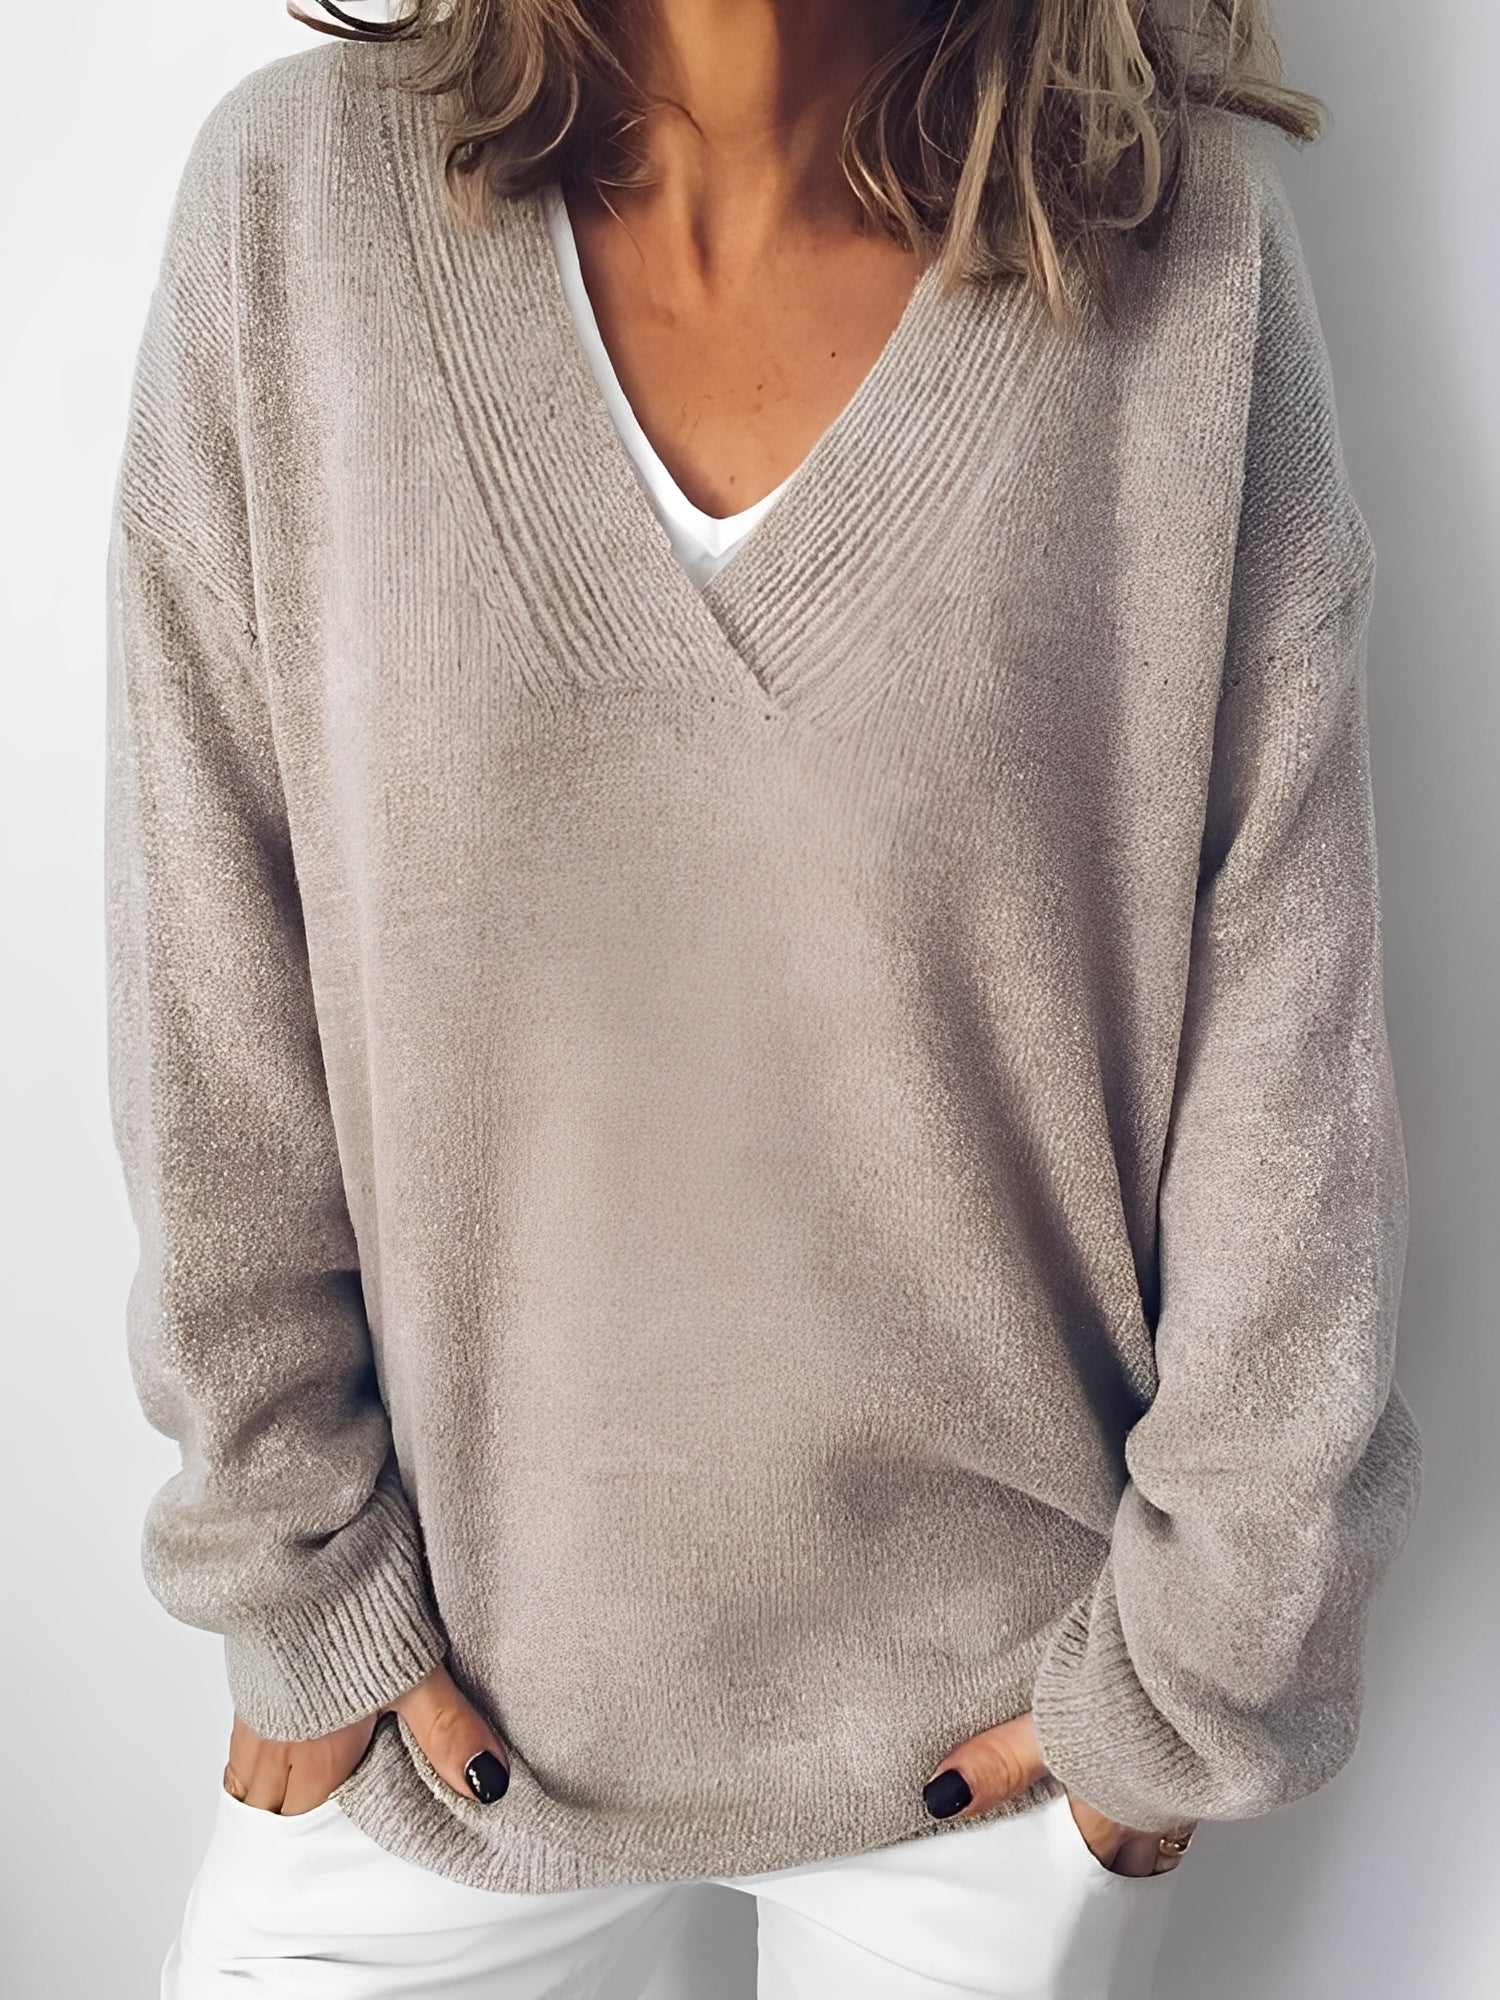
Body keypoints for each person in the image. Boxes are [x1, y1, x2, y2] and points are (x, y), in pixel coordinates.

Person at [102, 1, 1423, 1995]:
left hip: (1000, 1748)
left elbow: (1288, 1055)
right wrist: (297, 1575)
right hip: (431, 1713)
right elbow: (208, 985)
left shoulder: (1179, 256)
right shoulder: (291, 218)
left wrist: (1195, 1667)